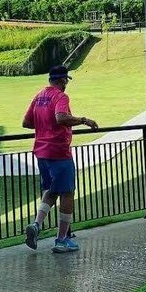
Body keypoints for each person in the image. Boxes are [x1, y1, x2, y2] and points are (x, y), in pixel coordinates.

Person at [22, 64, 98, 253]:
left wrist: (44, 126)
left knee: (52, 190)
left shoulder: (39, 96)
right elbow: (61, 117)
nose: (66, 84)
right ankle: (62, 240)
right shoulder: (61, 96)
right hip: (59, 152)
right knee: (67, 193)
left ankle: (36, 225)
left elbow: (26, 122)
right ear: (63, 80)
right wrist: (83, 120)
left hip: (41, 152)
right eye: (66, 81)